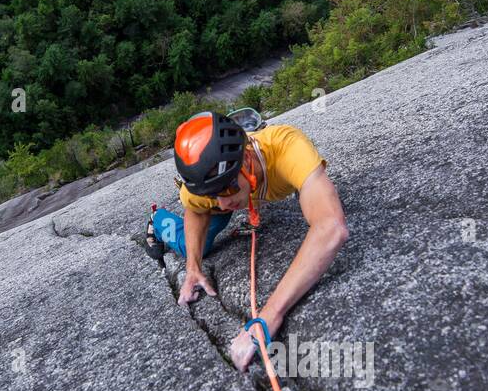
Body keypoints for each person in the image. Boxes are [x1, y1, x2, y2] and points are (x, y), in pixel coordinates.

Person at [145, 111, 348, 370]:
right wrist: (193, 268)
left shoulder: (287, 146)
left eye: (226, 189)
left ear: (248, 157)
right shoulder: (210, 188)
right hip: (227, 182)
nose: (222, 202)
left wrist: (269, 315)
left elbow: (331, 227)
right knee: (194, 246)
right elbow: (196, 208)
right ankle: (158, 220)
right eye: (212, 194)